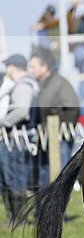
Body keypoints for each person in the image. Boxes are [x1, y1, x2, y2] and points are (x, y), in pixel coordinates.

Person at [28, 47, 80, 188]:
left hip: (60, 138)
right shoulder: (39, 86)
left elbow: (73, 108)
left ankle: (56, 209)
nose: (30, 70)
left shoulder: (60, 84)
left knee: (59, 178)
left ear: (44, 67)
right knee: (44, 177)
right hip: (45, 137)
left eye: (33, 66)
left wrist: (60, 129)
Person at [0, 55, 39, 226]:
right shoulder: (22, 85)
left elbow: (21, 112)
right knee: (9, 179)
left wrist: (2, 122)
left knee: (14, 180)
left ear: (13, 67)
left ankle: (19, 220)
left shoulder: (23, 85)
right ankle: (13, 218)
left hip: (15, 140)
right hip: (13, 139)